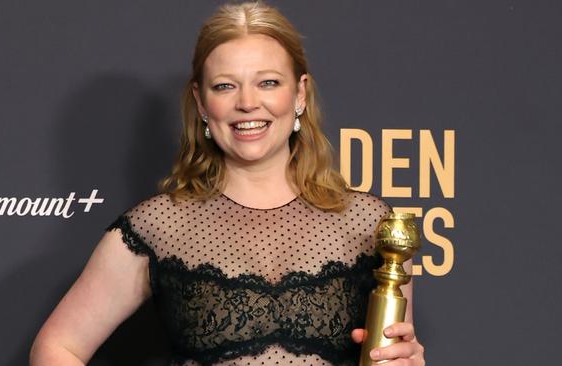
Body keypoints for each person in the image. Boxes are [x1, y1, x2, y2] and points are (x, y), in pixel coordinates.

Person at [30, 2, 425, 365]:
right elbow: (57, 347)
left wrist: (410, 360)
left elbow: (393, 354)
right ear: (201, 103)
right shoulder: (158, 227)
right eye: (225, 86)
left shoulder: (372, 224)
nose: (247, 103)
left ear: (300, 93)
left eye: (268, 82)